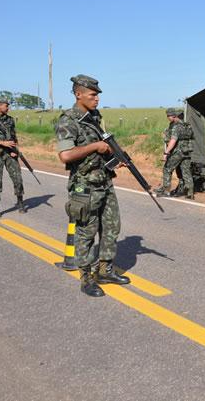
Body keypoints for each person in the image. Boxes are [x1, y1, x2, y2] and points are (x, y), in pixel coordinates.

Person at [55, 74, 131, 298]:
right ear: (78, 95)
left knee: (111, 227)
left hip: (105, 181)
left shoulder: (94, 117)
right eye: (92, 95)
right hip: (84, 186)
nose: (97, 99)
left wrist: (117, 158)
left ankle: (105, 270)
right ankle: (86, 278)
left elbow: (105, 146)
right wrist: (95, 146)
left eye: (97, 95)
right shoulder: (68, 120)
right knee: (86, 232)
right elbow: (66, 155)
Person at [155, 108, 194, 199]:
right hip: (187, 151)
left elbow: (173, 141)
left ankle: (166, 191)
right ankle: (190, 193)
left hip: (178, 152)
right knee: (186, 172)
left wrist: (166, 153)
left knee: (167, 169)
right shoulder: (187, 126)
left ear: (174, 116)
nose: (168, 118)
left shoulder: (176, 127)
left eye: (168, 116)